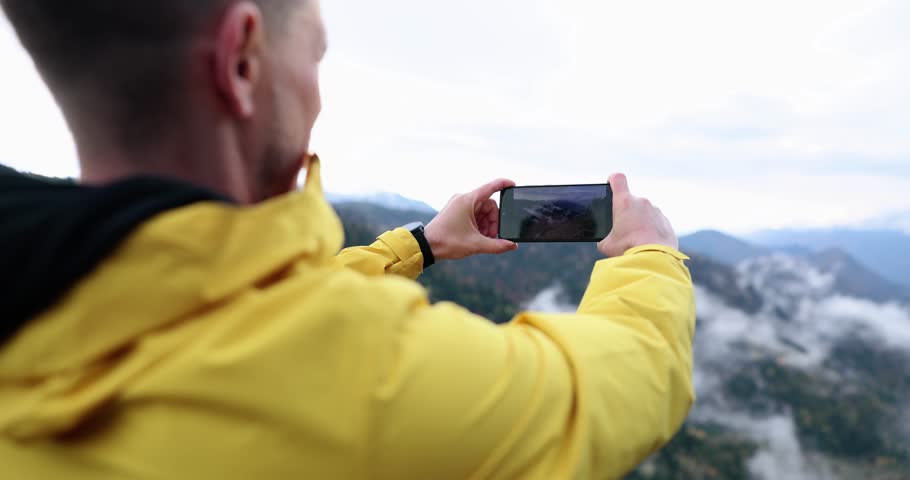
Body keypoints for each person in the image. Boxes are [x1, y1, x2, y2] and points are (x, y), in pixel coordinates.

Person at [0, 1, 696, 479]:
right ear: (241, 61)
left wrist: (419, 245)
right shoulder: (359, 383)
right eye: (317, 59)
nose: (318, 97)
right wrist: (649, 256)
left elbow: (218, 296)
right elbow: (612, 388)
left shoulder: (47, 285)